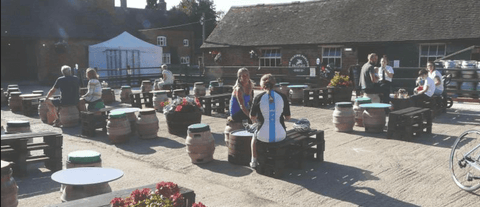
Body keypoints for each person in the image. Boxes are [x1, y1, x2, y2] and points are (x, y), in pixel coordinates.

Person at [249, 74, 291, 168]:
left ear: (261, 85)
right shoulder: (283, 97)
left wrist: (257, 121)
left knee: (254, 138)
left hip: (262, 136)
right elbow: (288, 117)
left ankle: (254, 160)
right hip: (281, 135)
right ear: (274, 84)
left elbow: (252, 116)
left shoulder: (258, 97)